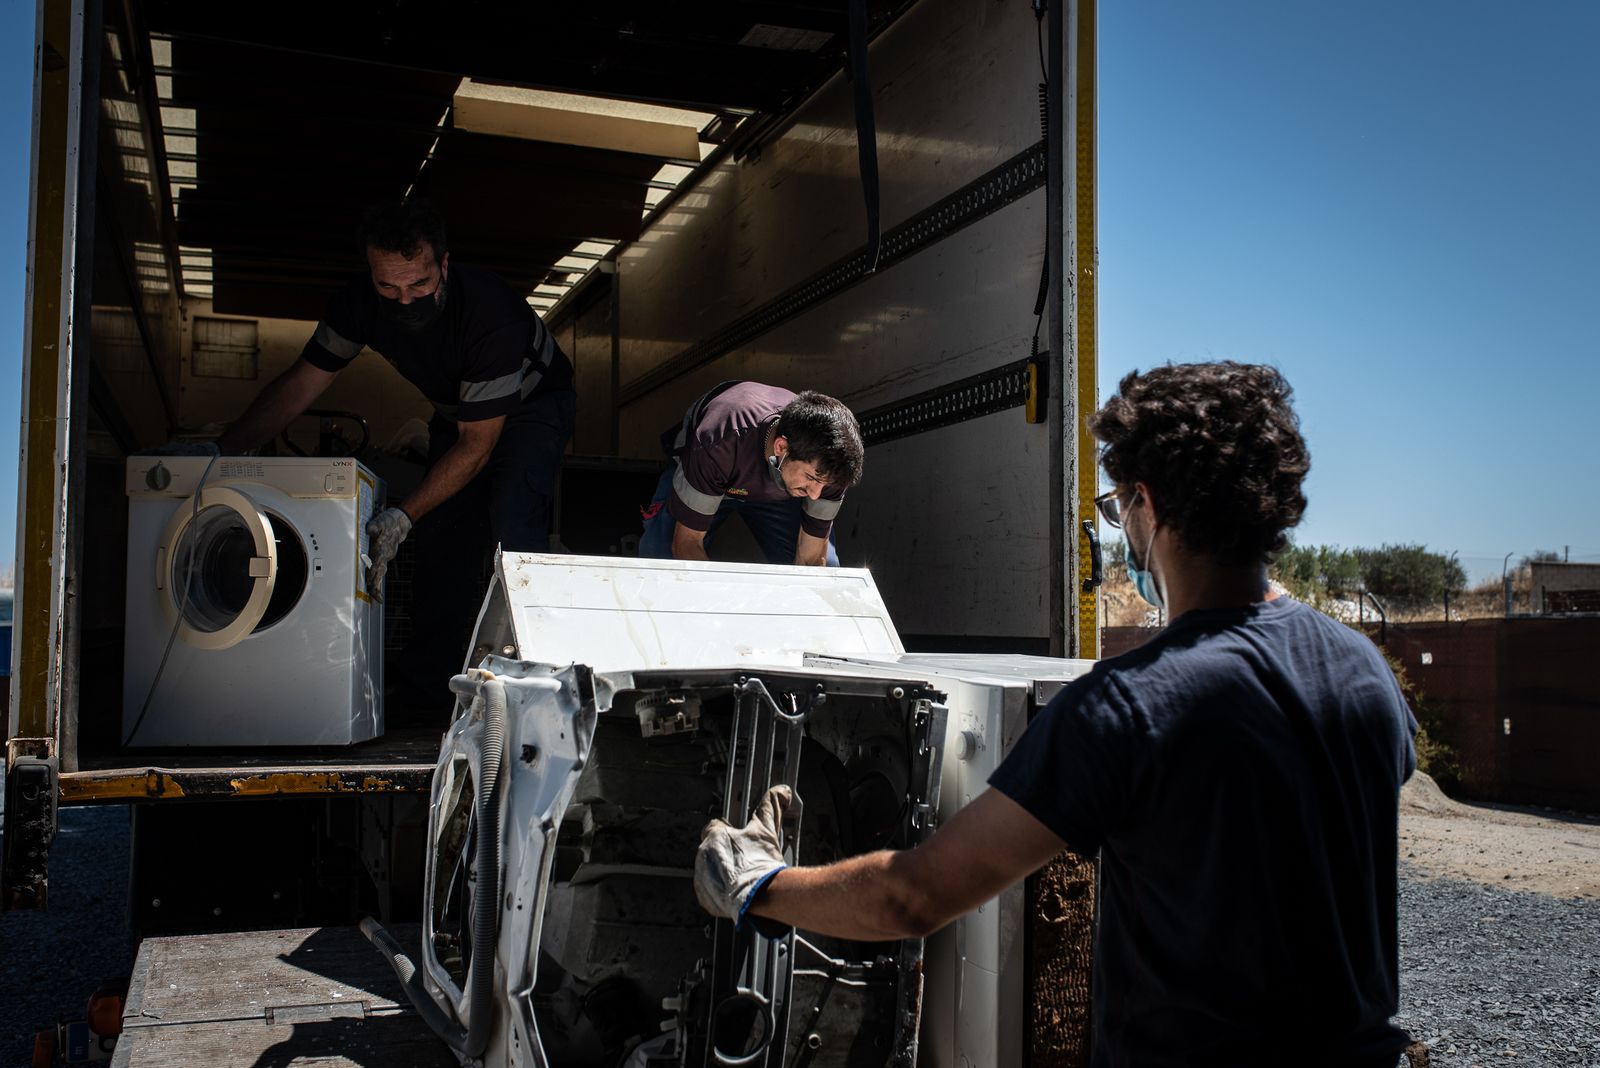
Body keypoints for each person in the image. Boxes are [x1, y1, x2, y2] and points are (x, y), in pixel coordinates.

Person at [694, 362, 1419, 1067]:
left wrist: (755, 883)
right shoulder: (1362, 672)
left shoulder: (1128, 705)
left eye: (1115, 507)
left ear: (1149, 504)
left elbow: (915, 896)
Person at [205, 200, 576, 719]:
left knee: (511, 518)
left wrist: (402, 514)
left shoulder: (488, 314)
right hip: (460, 410)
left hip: (533, 406)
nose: (405, 301)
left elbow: (478, 445)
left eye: (419, 285)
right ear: (371, 276)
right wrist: (220, 452)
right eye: (389, 288)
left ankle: (533, 693)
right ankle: (427, 694)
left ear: (443, 265)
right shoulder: (358, 304)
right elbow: (301, 384)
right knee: (443, 536)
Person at [638, 382, 864, 566]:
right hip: (711, 474)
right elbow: (686, 545)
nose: (815, 495)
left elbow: (812, 559)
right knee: (662, 560)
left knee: (827, 569)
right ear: (781, 448)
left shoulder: (832, 465)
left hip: (781, 487)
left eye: (825, 485)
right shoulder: (720, 439)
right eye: (812, 478)